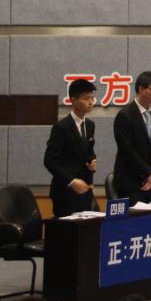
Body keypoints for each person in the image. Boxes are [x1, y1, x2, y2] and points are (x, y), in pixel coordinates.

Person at [43, 78, 99, 217]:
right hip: (65, 191)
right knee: (69, 229)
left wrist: (92, 162)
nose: (91, 102)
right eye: (86, 98)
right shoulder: (61, 127)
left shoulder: (90, 125)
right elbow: (50, 160)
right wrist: (71, 181)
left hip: (85, 189)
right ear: (73, 100)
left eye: (92, 98)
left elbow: (88, 152)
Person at [113, 71, 151, 204]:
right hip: (131, 182)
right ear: (141, 89)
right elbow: (127, 150)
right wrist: (148, 173)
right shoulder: (125, 115)